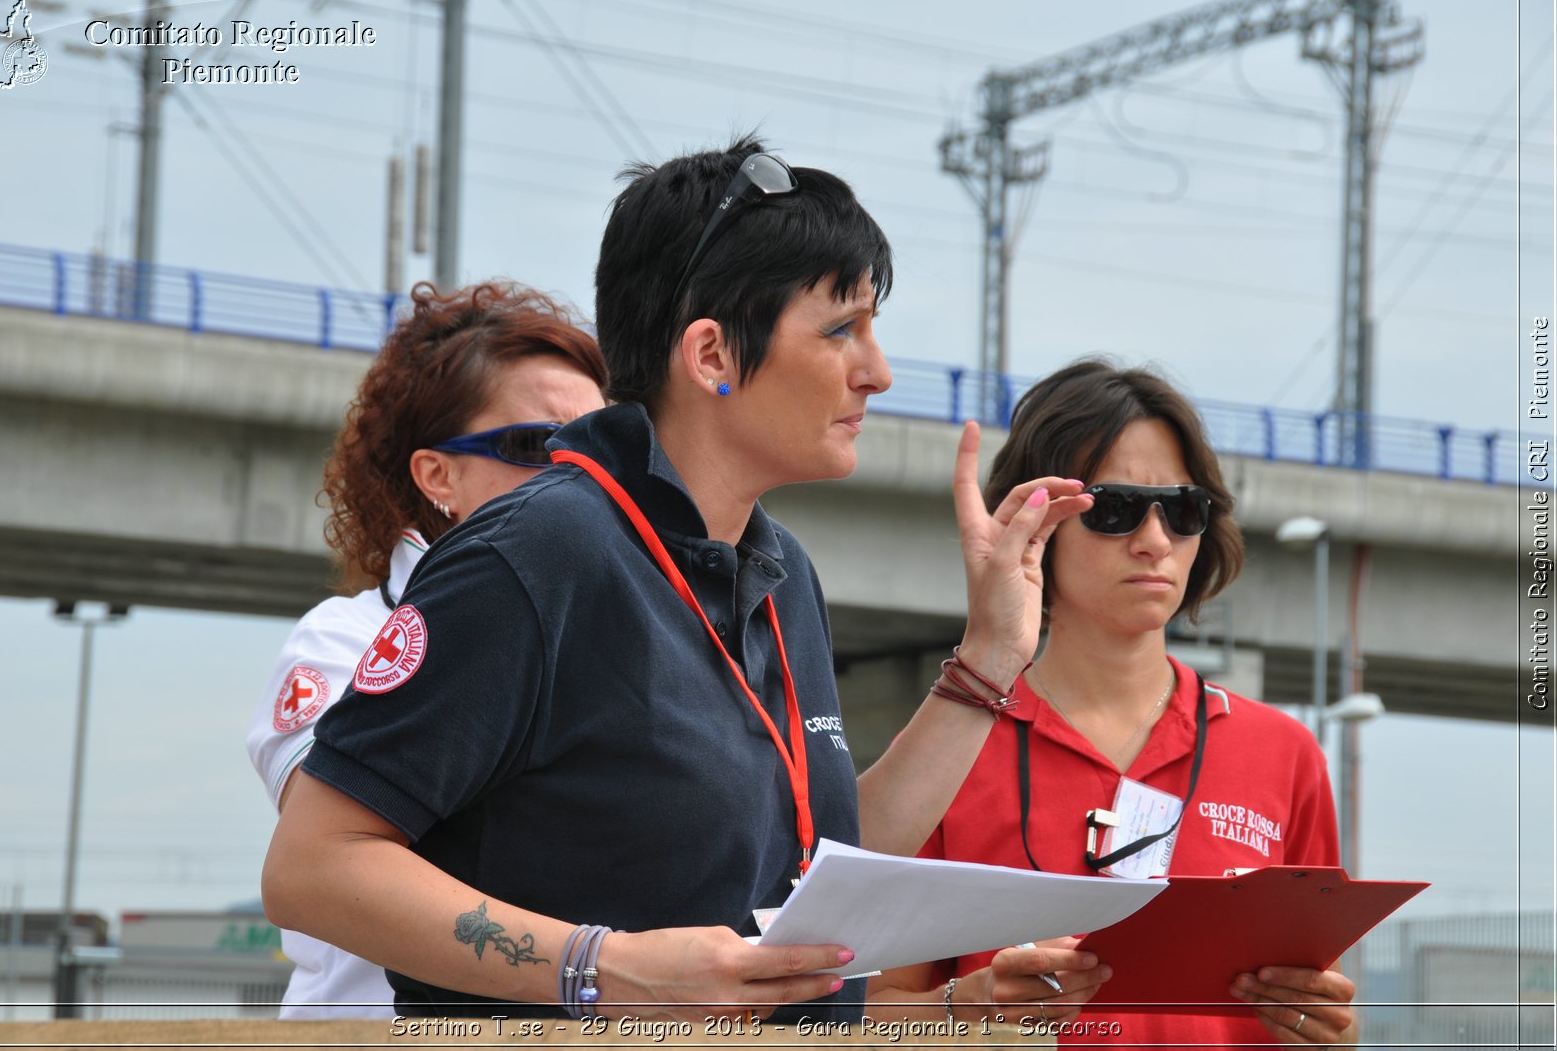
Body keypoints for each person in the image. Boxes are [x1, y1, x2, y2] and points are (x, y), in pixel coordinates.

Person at [260, 136, 1092, 1022]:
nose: (877, 372)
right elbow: (314, 865)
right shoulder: (540, 551)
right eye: (841, 329)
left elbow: (821, 860)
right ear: (711, 357)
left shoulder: (779, 571)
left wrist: (993, 652)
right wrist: (604, 966)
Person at [869, 359, 1358, 1049]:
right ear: (1037, 524)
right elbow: (866, 1014)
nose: (1155, 539)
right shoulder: (947, 752)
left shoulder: (1286, 756)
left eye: (1183, 509)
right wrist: (966, 1008)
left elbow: (1321, 1004)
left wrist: (1331, 1032)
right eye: (1115, 507)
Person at [245, 279, 608, 1019]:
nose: (583, 477)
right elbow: (335, 855)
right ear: (437, 475)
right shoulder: (345, 639)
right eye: (540, 445)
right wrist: (605, 965)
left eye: (603, 447)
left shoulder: (622, 640)